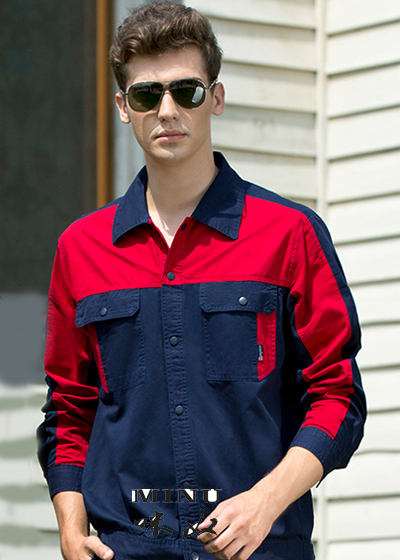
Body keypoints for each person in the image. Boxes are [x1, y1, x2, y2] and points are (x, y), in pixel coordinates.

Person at [37, 3, 366, 560]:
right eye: (147, 95)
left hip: (260, 549)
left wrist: (264, 503)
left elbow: (338, 396)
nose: (167, 110)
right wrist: (71, 528)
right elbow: (69, 408)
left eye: (186, 91)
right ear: (123, 108)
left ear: (216, 97)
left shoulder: (290, 235)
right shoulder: (81, 250)